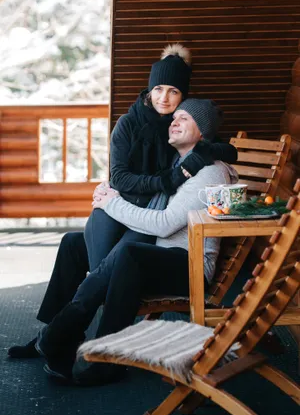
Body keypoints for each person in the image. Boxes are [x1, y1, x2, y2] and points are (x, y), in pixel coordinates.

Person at [8, 45, 237, 360]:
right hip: (125, 208)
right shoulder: (130, 125)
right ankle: (48, 333)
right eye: (158, 89)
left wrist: (210, 152)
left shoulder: (188, 144)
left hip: (150, 223)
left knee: (110, 266)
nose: (165, 99)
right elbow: (119, 177)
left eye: (174, 94)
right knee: (74, 244)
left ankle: (63, 336)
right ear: (149, 88)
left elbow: (219, 148)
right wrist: (161, 182)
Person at [29, 98, 239, 385]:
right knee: (74, 243)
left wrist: (111, 204)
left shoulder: (208, 173)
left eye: (185, 119)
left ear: (202, 132)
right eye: (175, 117)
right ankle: (57, 331)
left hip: (188, 265)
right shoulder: (179, 163)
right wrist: (110, 193)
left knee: (130, 254)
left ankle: (105, 359)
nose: (175, 122)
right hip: (161, 252)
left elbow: (164, 224)